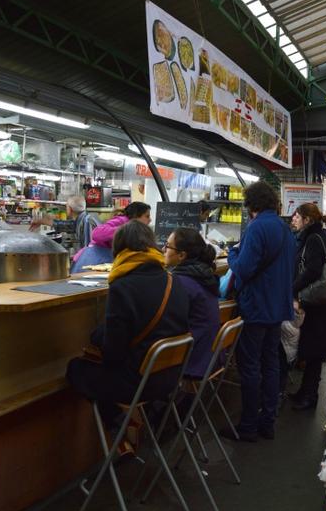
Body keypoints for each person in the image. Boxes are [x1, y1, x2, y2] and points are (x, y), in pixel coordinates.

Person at [66, 220, 189, 429]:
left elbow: (113, 353)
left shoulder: (123, 286)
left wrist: (96, 336)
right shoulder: (173, 280)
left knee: (76, 369)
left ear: (118, 249)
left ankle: (121, 425)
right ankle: (133, 424)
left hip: (138, 383)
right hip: (170, 376)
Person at [222, 181, 296, 441]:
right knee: (271, 364)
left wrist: (232, 254)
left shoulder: (256, 228)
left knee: (250, 366)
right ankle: (268, 423)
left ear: (250, 205)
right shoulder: (286, 230)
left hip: (256, 307)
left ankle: (248, 426)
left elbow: (243, 268)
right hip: (278, 307)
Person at [290, 203, 326, 410]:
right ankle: (306, 392)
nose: (293, 220)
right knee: (312, 349)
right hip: (318, 303)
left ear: (307, 219)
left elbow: (313, 270)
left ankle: (309, 396)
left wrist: (293, 289)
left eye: (297, 216)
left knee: (314, 351)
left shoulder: (313, 238)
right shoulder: (316, 236)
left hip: (316, 303)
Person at [163, 227, 220, 378]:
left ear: (182, 255)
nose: (163, 249)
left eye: (167, 246)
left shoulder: (180, 282)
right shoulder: (204, 275)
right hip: (210, 356)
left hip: (193, 359)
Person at [70, 201, 151, 273]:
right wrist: (124, 230)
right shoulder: (123, 220)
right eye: (147, 216)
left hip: (105, 261)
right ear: (136, 216)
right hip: (92, 259)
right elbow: (96, 234)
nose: (150, 220)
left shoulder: (138, 231)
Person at [30, 195, 96, 250]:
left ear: (70, 209)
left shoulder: (87, 222)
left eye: (66, 206)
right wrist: (41, 220)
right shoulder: (82, 219)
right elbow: (67, 225)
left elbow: (89, 249)